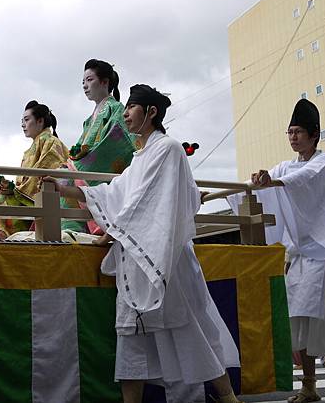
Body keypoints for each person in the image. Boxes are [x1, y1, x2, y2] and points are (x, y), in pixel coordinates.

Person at [42, 84, 242, 403]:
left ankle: (228, 398)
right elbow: (114, 193)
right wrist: (65, 190)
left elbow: (144, 202)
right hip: (136, 255)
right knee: (131, 338)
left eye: (131, 108)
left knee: (188, 329)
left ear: (151, 112)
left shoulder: (169, 148)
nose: (125, 114)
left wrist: (115, 228)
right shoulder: (140, 158)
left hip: (166, 258)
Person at [236, 99, 325, 403]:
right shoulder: (287, 166)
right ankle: (309, 386)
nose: (293, 137)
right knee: (298, 319)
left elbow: (304, 179)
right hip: (298, 255)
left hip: (323, 254)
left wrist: (276, 181)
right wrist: (241, 187)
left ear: (314, 134)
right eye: (290, 132)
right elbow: (263, 181)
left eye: (298, 131)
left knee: (319, 319)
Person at [61, 59, 136, 233]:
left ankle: (77, 230)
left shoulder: (116, 108)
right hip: (85, 164)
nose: (85, 86)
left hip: (100, 166)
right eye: (83, 82)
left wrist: (77, 164)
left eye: (89, 80)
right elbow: (79, 148)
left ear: (104, 82)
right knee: (62, 173)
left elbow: (116, 142)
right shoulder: (89, 120)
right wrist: (72, 160)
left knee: (66, 176)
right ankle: (70, 229)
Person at [0, 100, 68, 239]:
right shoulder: (38, 144)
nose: (23, 124)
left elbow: (44, 172)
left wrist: (14, 191)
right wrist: (10, 187)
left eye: (27, 120)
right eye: (22, 120)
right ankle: (0, 236)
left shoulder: (51, 141)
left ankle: (1, 237)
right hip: (25, 196)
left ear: (40, 121)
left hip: (38, 200)